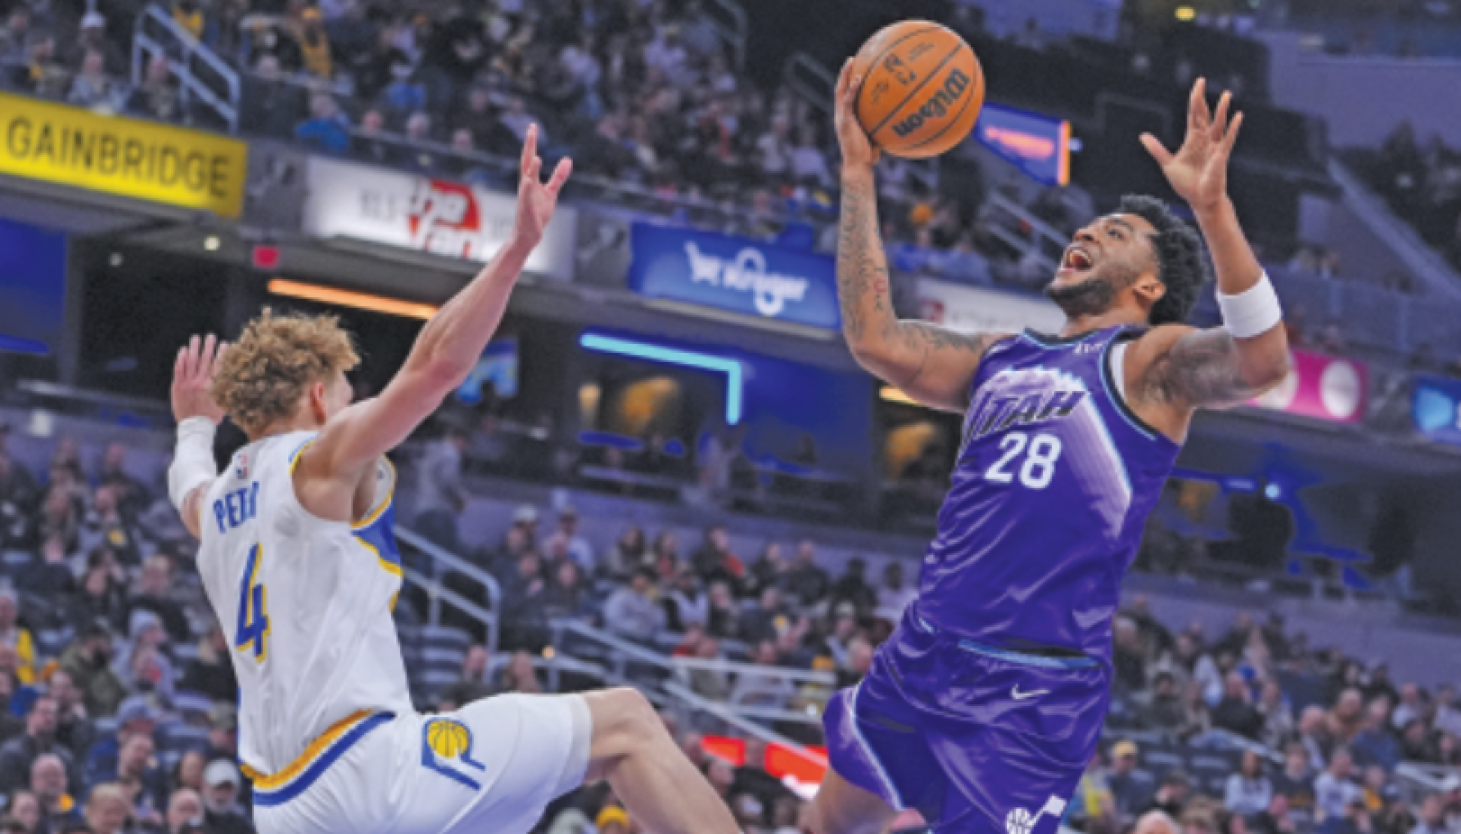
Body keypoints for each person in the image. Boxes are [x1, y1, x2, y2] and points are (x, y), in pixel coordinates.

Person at [166, 127, 737, 834]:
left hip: (284, 808)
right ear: (316, 395)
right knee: (625, 722)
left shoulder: (219, 503)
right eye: (345, 390)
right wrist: (516, 251)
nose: (353, 403)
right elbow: (434, 366)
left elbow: (187, 484)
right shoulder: (318, 457)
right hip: (368, 771)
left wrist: (194, 427)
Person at [813, 65, 1291, 834]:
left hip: (1032, 687)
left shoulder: (1148, 364)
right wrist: (858, 175)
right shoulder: (997, 356)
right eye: (1087, 227)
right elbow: (874, 339)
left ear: (1147, 288)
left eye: (1113, 234)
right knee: (822, 827)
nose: (1085, 233)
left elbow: (1262, 362)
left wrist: (1211, 209)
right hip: (927, 647)